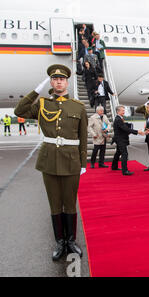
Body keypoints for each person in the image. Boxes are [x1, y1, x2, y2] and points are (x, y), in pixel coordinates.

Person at [14, 64, 87, 261]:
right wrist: (36, 91)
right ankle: (60, 242)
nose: (58, 82)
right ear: (51, 82)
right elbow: (18, 110)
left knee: (70, 203)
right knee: (55, 204)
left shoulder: (78, 107)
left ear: (67, 82)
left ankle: (72, 240)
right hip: (48, 161)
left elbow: (83, 136)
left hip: (71, 160)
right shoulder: (42, 104)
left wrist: (83, 163)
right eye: (54, 79)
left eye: (61, 79)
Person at [111, 105, 147, 175]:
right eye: (122, 110)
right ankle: (125, 171)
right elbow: (125, 129)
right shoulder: (118, 119)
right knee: (124, 154)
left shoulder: (120, 118)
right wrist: (137, 132)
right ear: (118, 111)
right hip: (120, 139)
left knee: (118, 153)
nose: (124, 112)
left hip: (119, 138)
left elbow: (125, 128)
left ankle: (114, 166)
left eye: (124, 110)